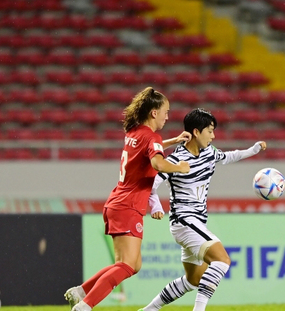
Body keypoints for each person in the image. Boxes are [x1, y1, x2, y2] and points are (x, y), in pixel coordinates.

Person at [65, 87, 191, 311]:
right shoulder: (151, 137)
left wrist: (174, 140)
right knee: (126, 265)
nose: (167, 116)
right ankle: (85, 305)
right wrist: (179, 167)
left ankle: (82, 291)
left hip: (117, 203)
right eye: (166, 112)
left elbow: (151, 148)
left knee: (131, 265)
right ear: (154, 113)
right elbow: (158, 163)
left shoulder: (135, 133)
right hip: (128, 206)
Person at [139, 108, 266, 311]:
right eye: (210, 131)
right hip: (184, 221)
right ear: (196, 132)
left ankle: (148, 310)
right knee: (222, 260)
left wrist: (253, 150)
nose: (213, 136)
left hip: (195, 222)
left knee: (194, 280)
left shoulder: (210, 152)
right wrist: (155, 207)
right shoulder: (175, 159)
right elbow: (152, 186)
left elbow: (228, 156)